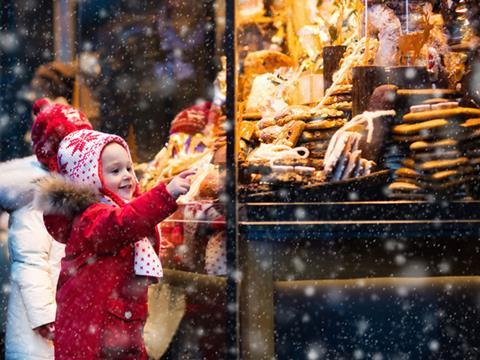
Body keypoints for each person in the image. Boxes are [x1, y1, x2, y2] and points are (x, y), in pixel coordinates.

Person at [35, 129, 194, 359]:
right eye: (115, 170)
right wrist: (165, 194)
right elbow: (123, 224)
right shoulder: (92, 217)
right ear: (89, 178)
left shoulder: (112, 213)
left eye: (129, 168)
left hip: (116, 325)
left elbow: (128, 229)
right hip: (95, 335)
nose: (128, 175)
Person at [0, 98, 92, 359]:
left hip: (66, 317)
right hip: (40, 331)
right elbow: (29, 263)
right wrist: (45, 317)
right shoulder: (36, 198)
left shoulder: (69, 192)